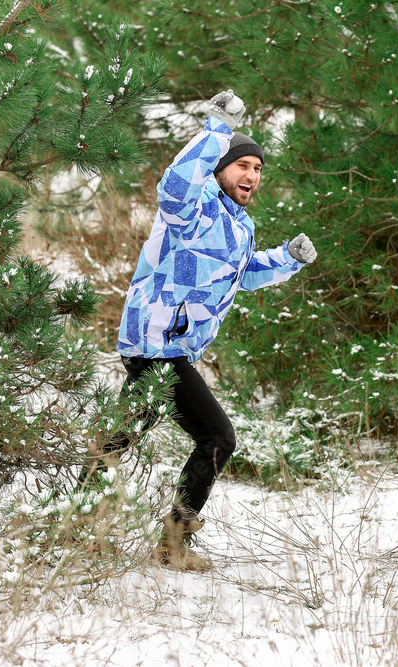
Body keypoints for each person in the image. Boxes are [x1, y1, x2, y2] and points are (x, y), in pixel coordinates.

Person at [99, 90, 317, 571]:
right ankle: (172, 543)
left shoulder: (238, 225)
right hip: (159, 344)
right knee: (218, 438)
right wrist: (217, 129)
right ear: (218, 168)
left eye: (258, 169)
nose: (252, 176)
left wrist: (287, 259)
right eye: (243, 166)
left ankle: (76, 525)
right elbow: (175, 183)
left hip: (167, 348)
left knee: (117, 441)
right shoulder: (190, 211)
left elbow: (243, 274)